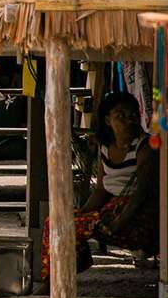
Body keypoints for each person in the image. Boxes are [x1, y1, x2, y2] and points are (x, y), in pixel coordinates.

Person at [38, 91, 160, 285]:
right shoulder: (105, 147)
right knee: (55, 222)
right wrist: (81, 214)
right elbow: (101, 189)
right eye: (120, 116)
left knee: (65, 225)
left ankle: (55, 281)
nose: (129, 120)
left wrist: (119, 221)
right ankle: (56, 278)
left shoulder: (145, 146)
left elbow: (141, 192)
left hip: (137, 217)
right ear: (107, 120)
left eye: (133, 115)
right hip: (111, 211)